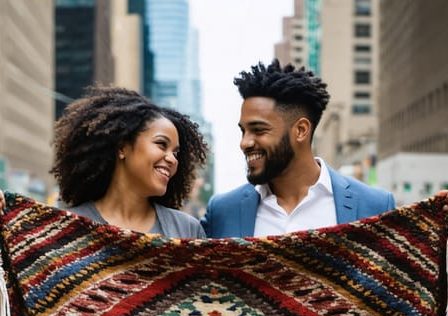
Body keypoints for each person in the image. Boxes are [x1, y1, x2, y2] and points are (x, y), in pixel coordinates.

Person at [201, 60, 396, 238]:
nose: (245, 143)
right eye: (243, 131)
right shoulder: (222, 212)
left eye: (258, 130)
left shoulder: (375, 206)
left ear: (301, 130)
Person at [0, 86, 208, 237]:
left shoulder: (187, 231)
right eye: (161, 145)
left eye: (176, 153)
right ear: (122, 147)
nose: (171, 159)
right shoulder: (65, 229)